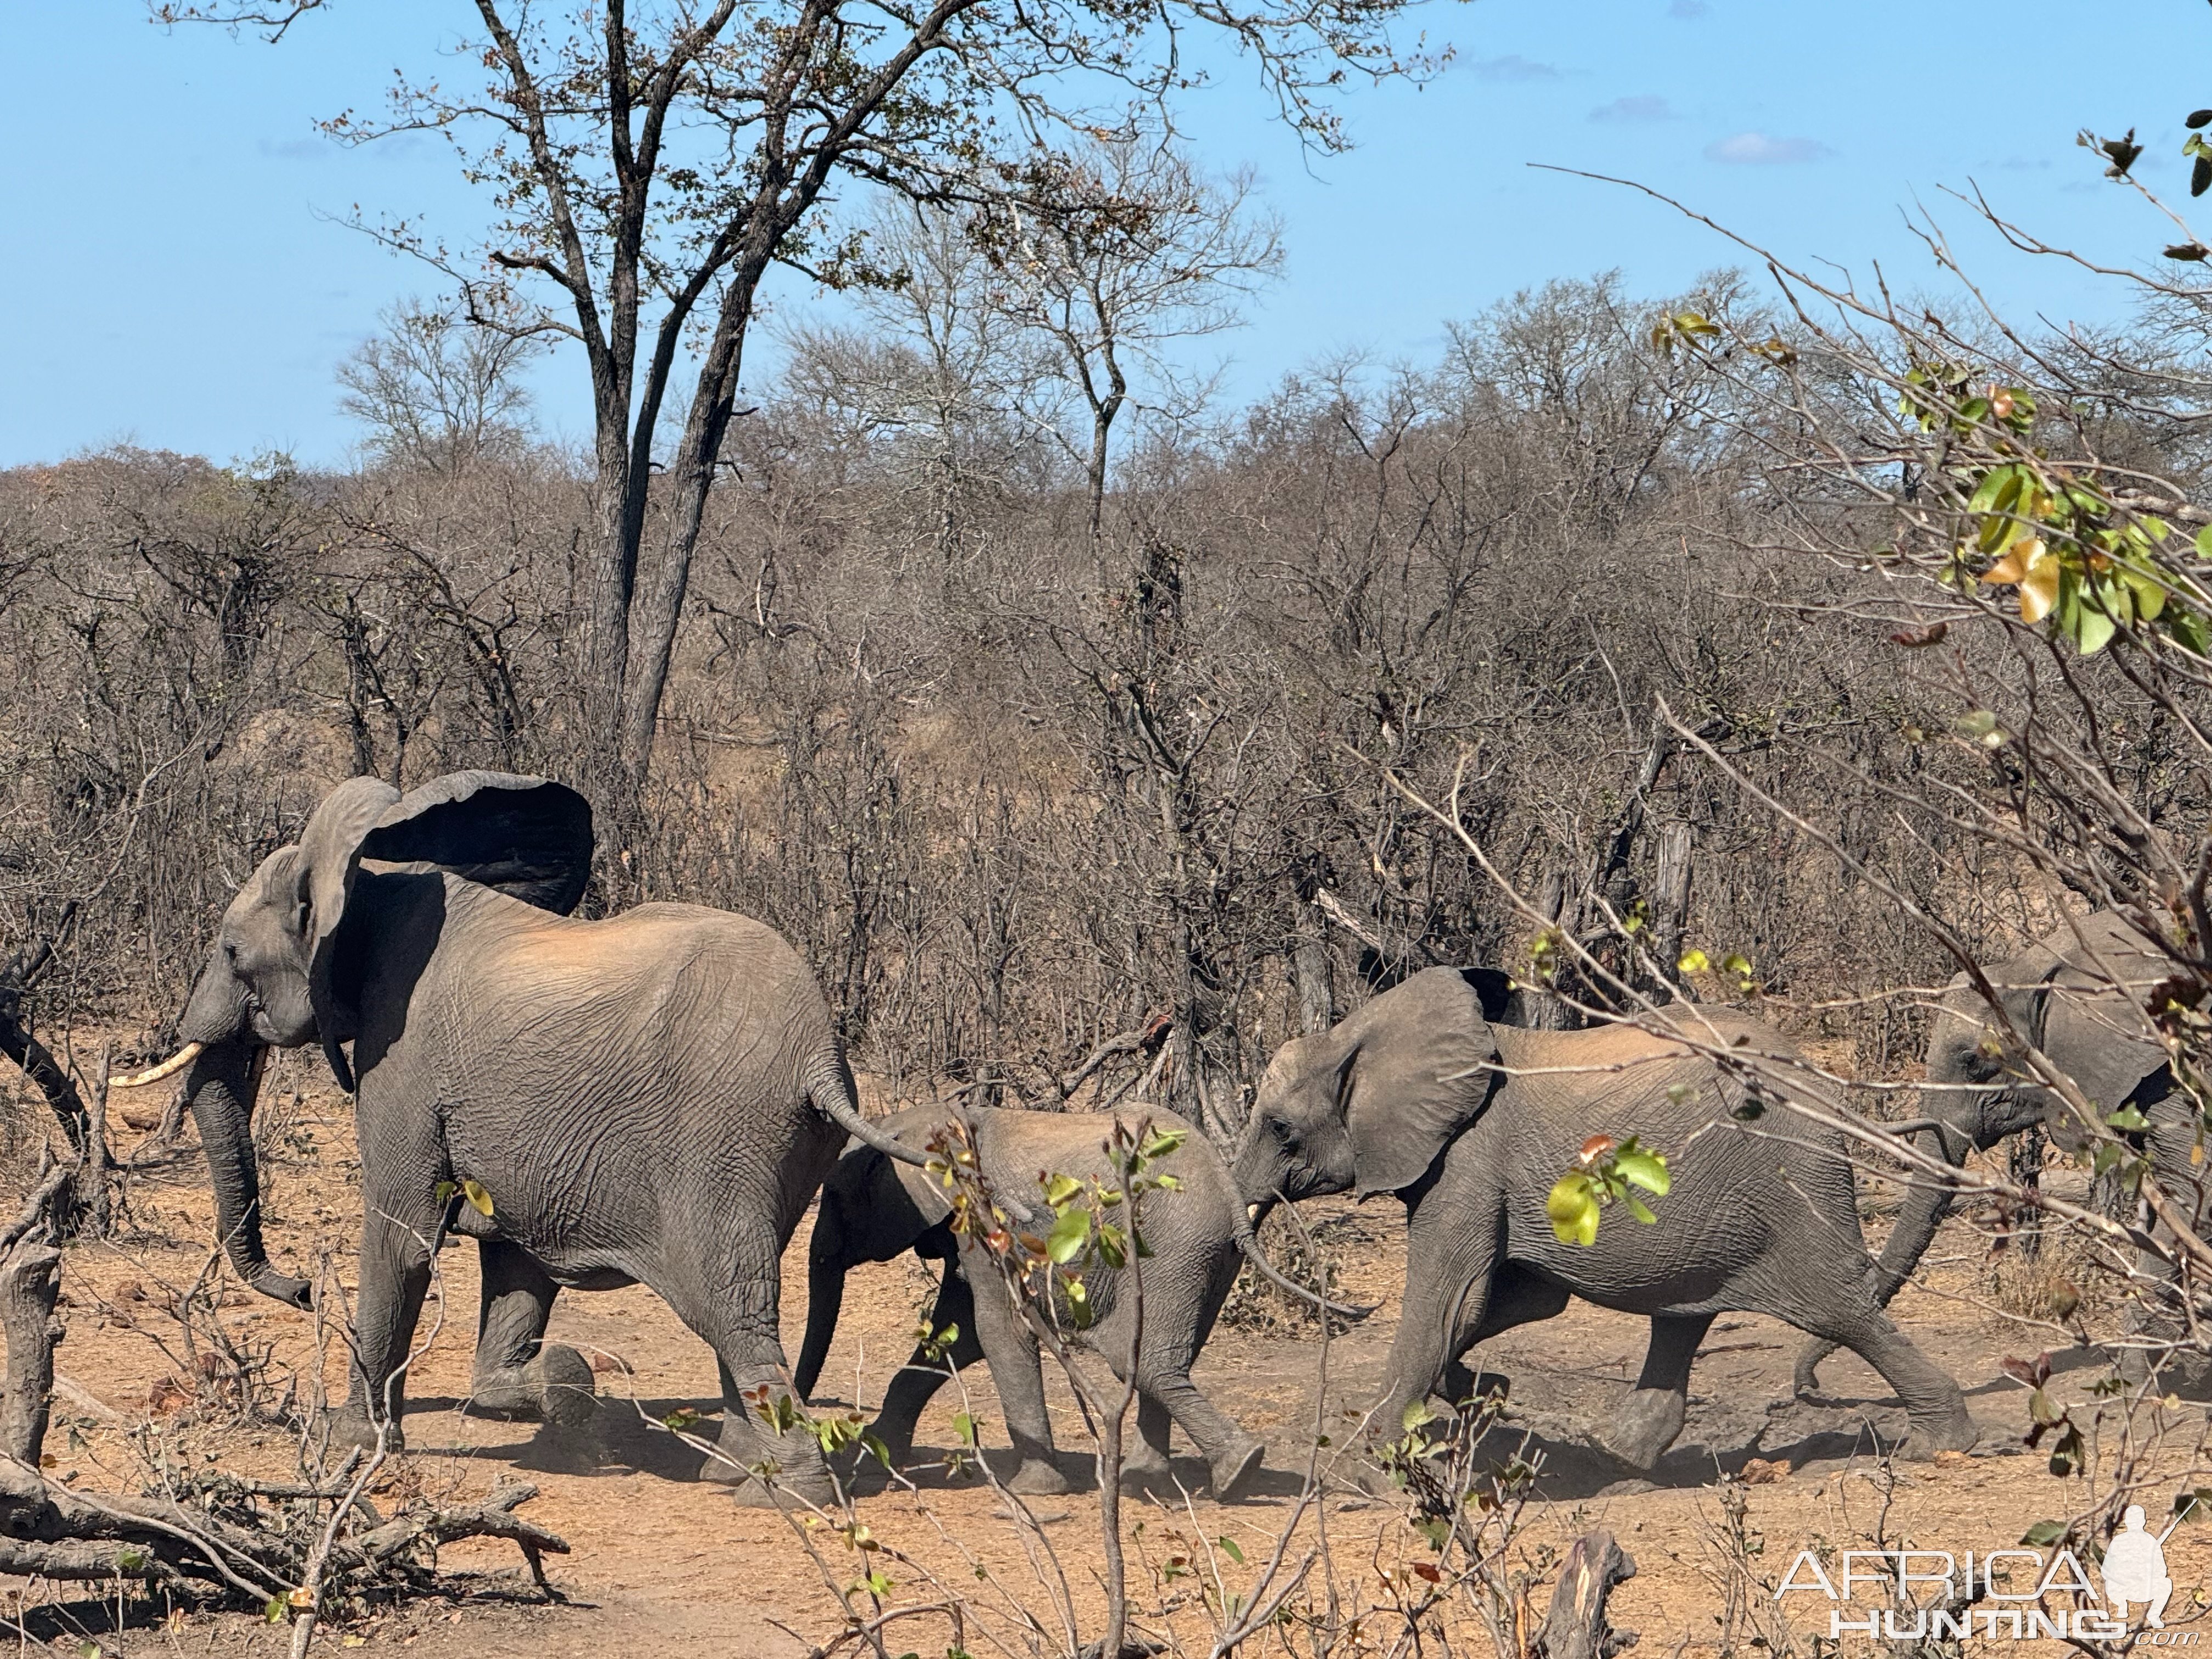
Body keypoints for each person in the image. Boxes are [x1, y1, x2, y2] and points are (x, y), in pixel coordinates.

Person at [2102, 1505, 2175, 1627]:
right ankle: (2122, 1605)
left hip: (2144, 1587)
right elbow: (2107, 1569)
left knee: (2166, 1584)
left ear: (2143, 1522)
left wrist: (2148, 1572)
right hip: (2122, 1587)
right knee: (2109, 1583)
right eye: (2132, 1521)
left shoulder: (2151, 1541)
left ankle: (2154, 1615)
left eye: (2137, 1521)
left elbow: (2161, 1569)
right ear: (2126, 1522)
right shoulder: (2119, 1541)